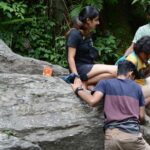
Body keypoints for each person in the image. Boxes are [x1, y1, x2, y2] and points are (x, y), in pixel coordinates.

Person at [71, 60, 150, 150]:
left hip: (111, 138)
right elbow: (142, 116)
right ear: (130, 74)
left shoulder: (105, 83)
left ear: (118, 72)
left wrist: (78, 90)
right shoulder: (137, 88)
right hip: (132, 137)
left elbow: (92, 101)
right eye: (133, 78)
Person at [66, 6, 117, 89]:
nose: (98, 23)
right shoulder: (74, 34)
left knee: (112, 74)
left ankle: (85, 82)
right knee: (116, 70)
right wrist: (76, 76)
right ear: (88, 20)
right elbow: (70, 57)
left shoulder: (87, 33)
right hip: (80, 69)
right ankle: (82, 81)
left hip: (88, 67)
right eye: (96, 20)